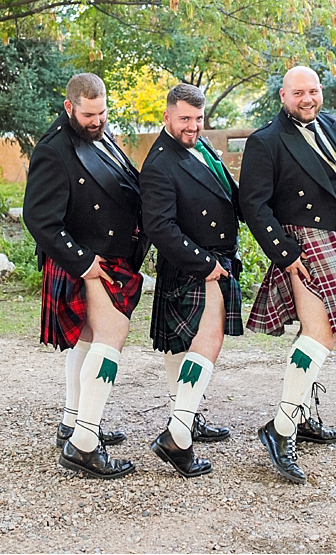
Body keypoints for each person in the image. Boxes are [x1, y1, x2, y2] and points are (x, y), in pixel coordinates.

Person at [239, 66, 336, 483]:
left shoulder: (329, 123)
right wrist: (286, 254)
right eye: (298, 93)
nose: (307, 99)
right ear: (282, 95)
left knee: (322, 331)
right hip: (304, 243)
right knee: (320, 332)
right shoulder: (265, 141)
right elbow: (254, 206)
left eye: (313, 91)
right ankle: (281, 428)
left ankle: (303, 416)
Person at [25, 73, 145, 478]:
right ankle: (83, 445)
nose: (97, 121)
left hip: (108, 254)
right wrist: (82, 262)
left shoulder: (100, 137)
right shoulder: (54, 150)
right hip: (84, 259)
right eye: (88, 114)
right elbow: (39, 219)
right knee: (112, 337)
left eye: (102, 112)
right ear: (69, 108)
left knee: (90, 339)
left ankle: (73, 421)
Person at [138, 83, 241, 477]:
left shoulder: (198, 145)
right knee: (206, 343)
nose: (193, 126)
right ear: (166, 116)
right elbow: (160, 227)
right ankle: (177, 436)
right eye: (184, 119)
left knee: (185, 347)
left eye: (198, 119)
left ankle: (189, 416)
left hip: (212, 258)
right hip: (194, 264)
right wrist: (205, 264)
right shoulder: (161, 163)